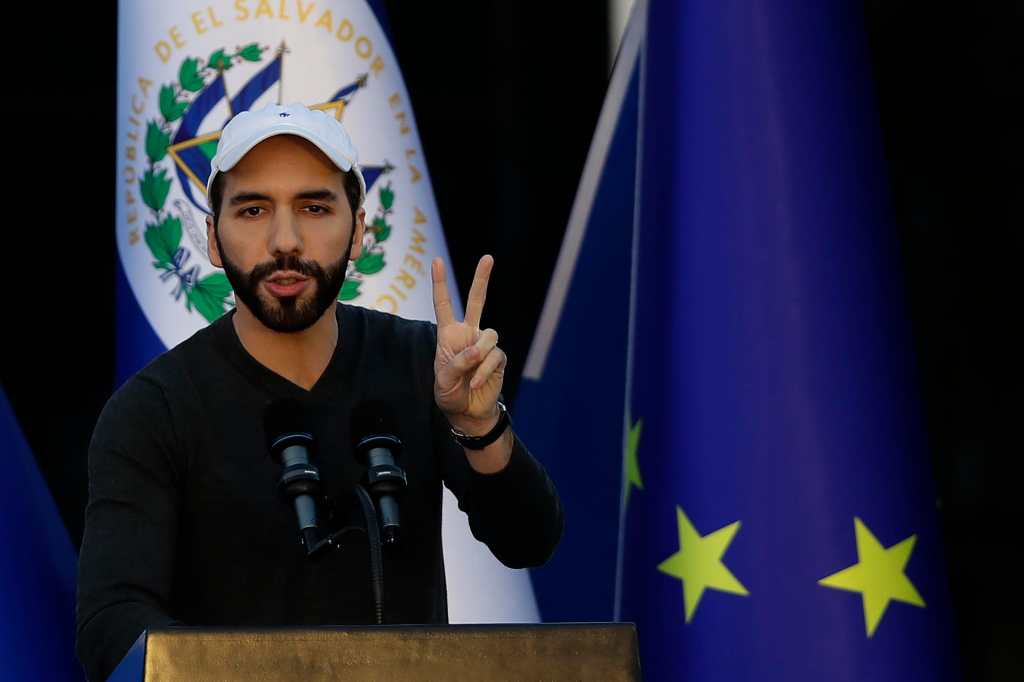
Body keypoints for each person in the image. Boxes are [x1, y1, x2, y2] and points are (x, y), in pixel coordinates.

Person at [75, 103, 563, 681]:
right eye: (253, 209)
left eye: (314, 207)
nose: (285, 241)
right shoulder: (153, 410)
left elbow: (529, 541)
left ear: (358, 230)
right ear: (212, 237)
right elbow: (111, 626)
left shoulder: (421, 364)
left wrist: (480, 425)